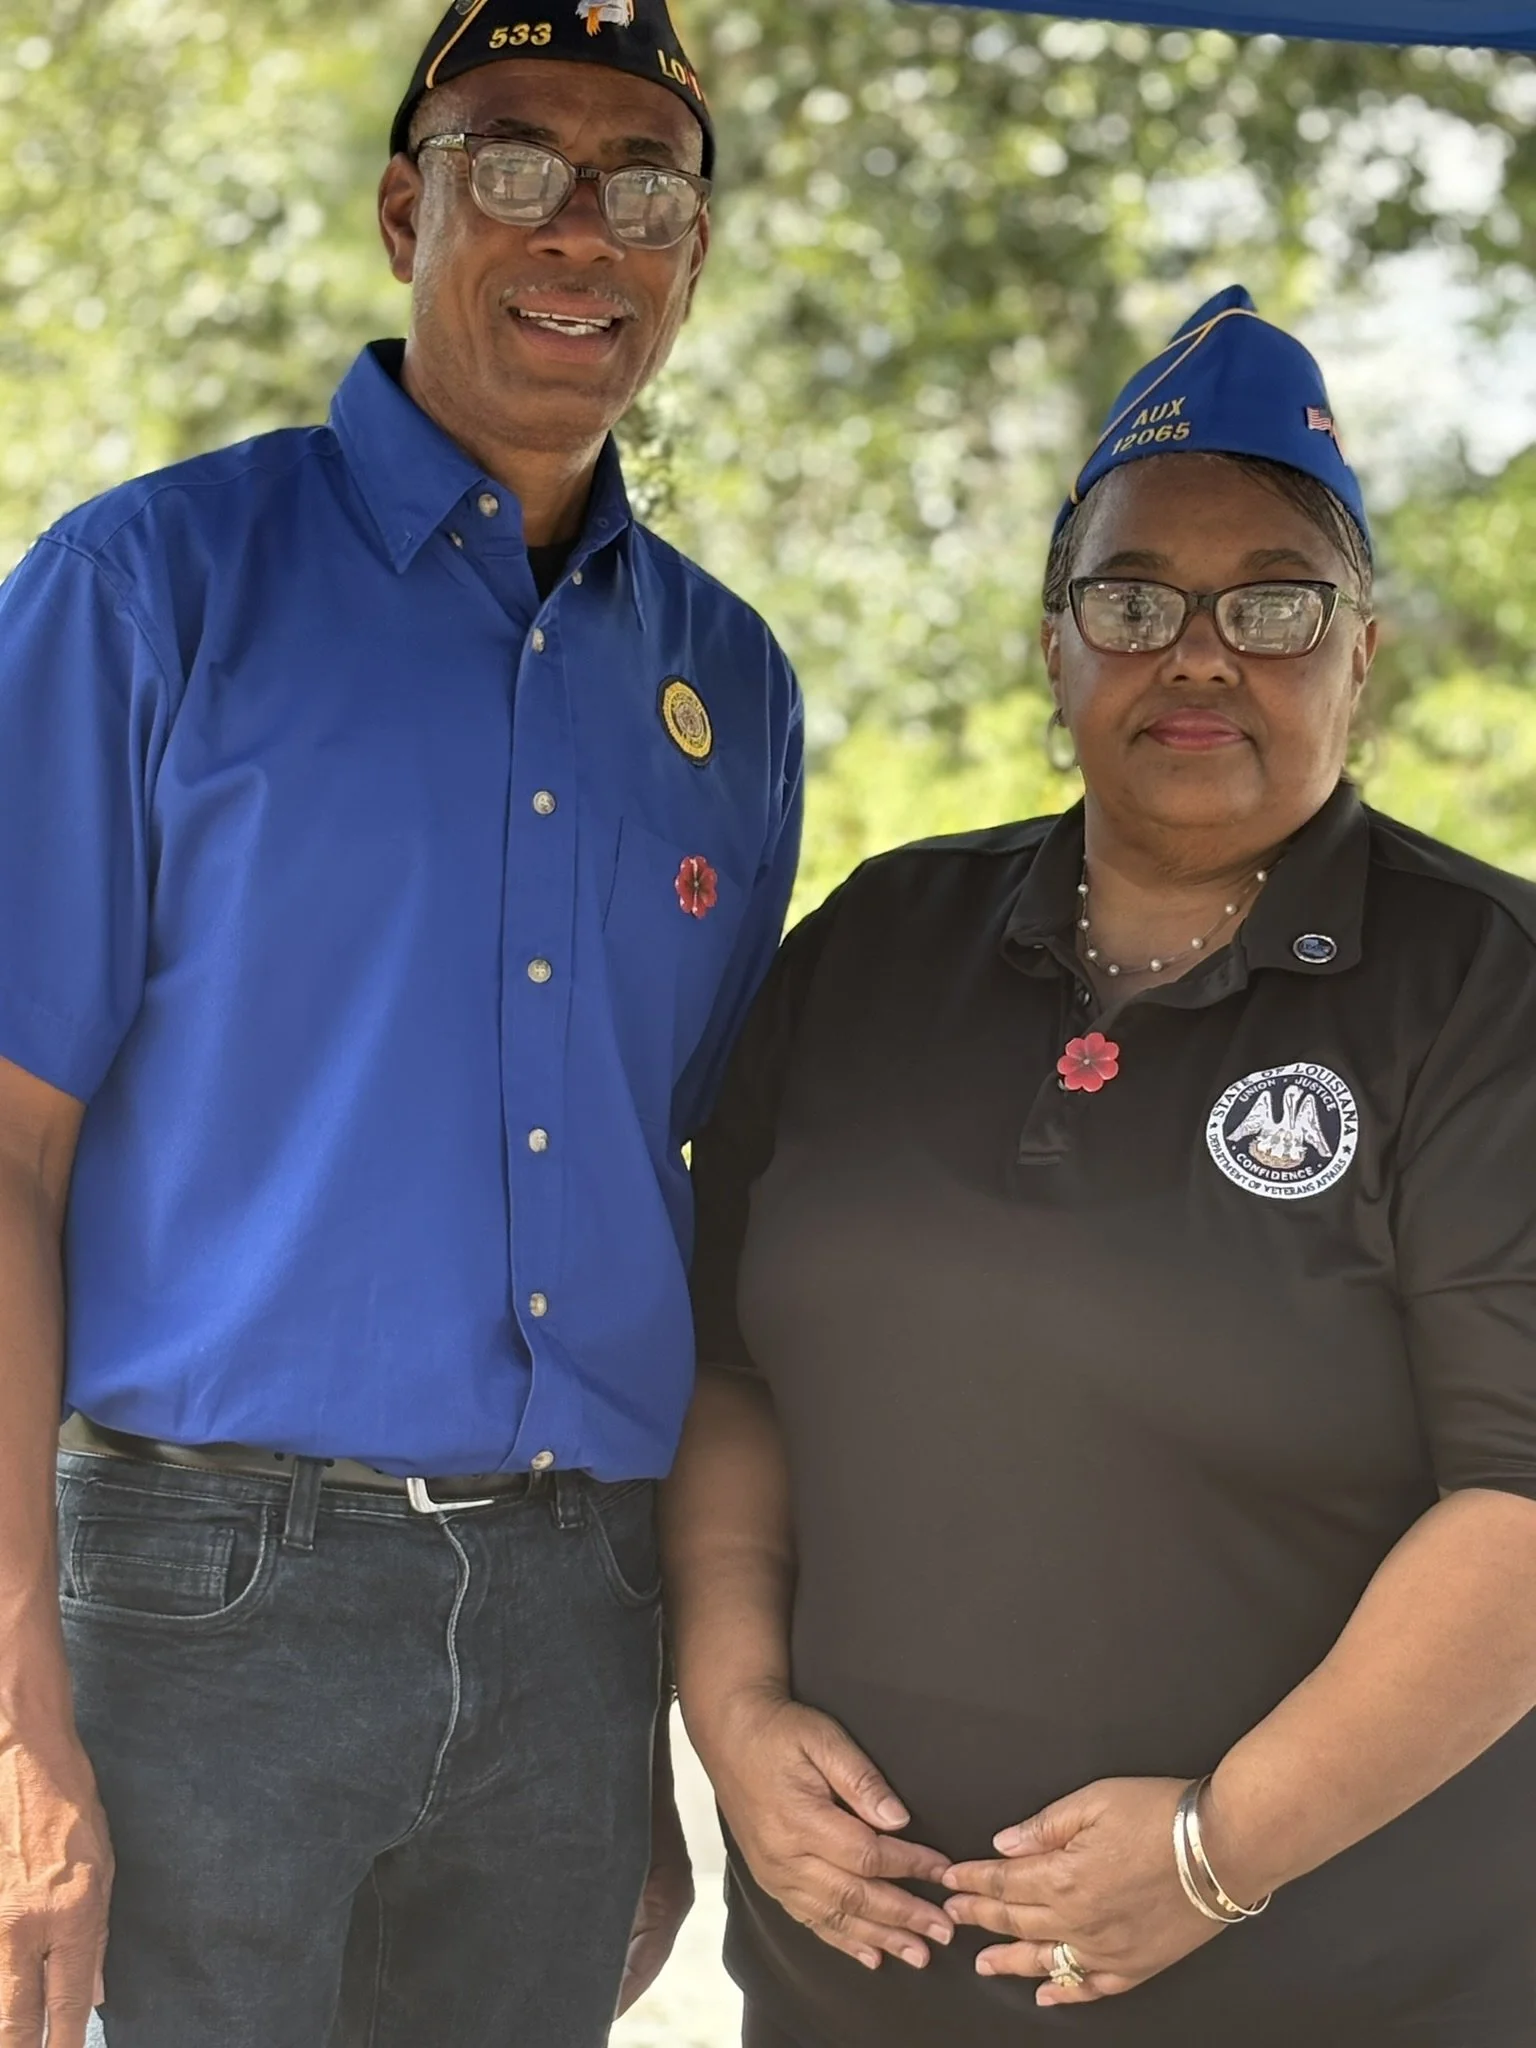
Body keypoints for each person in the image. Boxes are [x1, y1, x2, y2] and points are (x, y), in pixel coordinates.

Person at [0, 4, 803, 2044]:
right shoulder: (146, 587)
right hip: (201, 1604)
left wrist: (629, 1730)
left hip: (570, 1619)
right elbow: (6, 1157)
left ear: (693, 251)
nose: (582, 230)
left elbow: (673, 1195)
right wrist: (14, 1713)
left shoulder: (735, 686)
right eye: (515, 163)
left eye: (648, 183)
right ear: (401, 208)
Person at [664, 284, 1536, 2048]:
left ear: (1363, 651)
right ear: (1052, 644)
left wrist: (1221, 1853)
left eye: (1275, 604)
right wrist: (735, 1710)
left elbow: (1519, 1506)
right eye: (1133, 598)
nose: (1199, 653)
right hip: (859, 1993)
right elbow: (726, 1369)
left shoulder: (1485, 988)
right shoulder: (875, 940)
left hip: (1334, 1991)